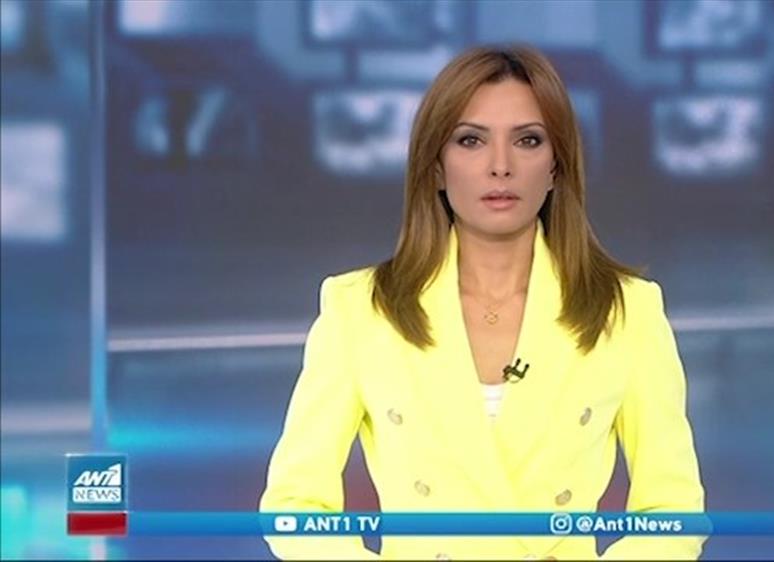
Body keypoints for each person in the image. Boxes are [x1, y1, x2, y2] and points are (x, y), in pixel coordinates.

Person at [259, 44, 705, 561]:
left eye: (528, 140)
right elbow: (294, 507)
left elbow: (673, 512)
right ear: (436, 166)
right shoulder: (359, 310)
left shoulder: (626, 312)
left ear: (557, 166)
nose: (500, 166)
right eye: (471, 140)